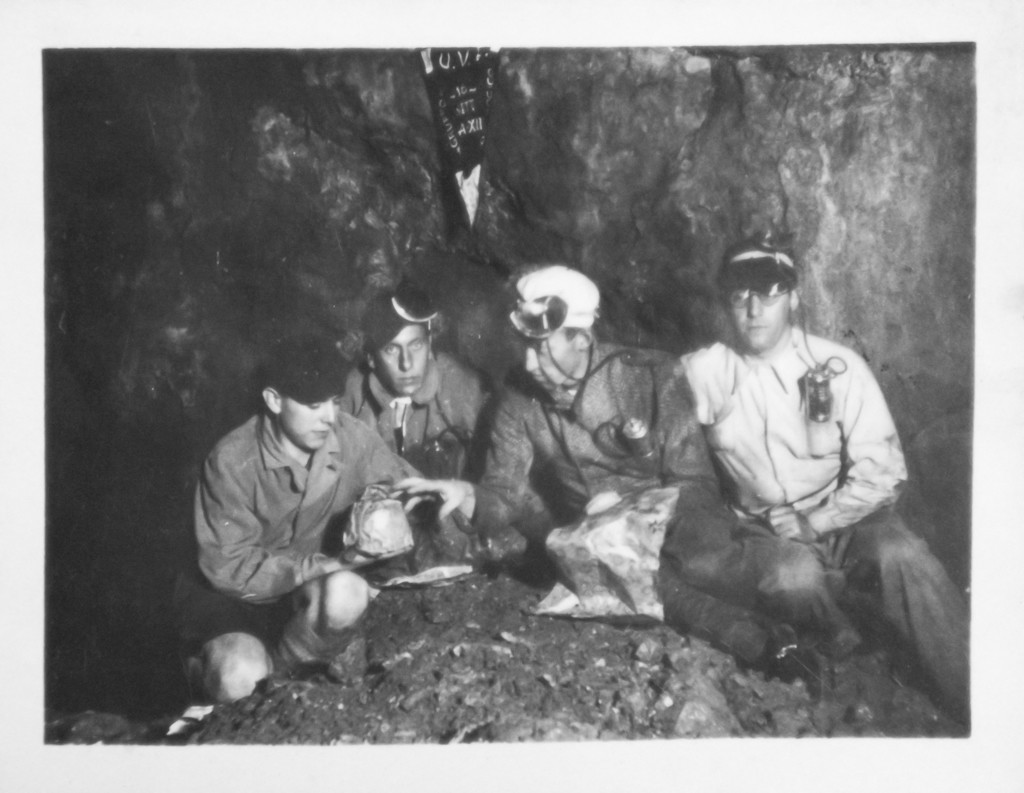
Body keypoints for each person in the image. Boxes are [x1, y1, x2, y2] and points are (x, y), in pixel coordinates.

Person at [396, 264, 836, 673]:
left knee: (774, 574)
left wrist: (641, 514)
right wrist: (467, 495)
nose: (530, 364)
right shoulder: (519, 399)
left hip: (682, 522)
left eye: (543, 350)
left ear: (582, 339)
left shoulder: (649, 376)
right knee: (625, 569)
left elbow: (694, 480)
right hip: (598, 538)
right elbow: (504, 493)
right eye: (526, 348)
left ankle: (835, 629)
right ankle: (762, 645)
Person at [679, 235, 969, 721]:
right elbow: (644, 406)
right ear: (726, 302)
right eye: (739, 295)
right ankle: (843, 670)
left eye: (768, 293)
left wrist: (819, 520)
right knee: (790, 579)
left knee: (905, 556)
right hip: (762, 529)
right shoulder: (701, 372)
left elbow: (885, 472)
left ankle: (975, 699)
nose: (753, 309)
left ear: (793, 298)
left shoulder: (839, 368)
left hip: (847, 516)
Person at [173, 334, 467, 704]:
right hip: (231, 597)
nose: (329, 417)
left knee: (348, 593)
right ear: (274, 400)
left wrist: (450, 500)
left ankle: (284, 683)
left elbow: (406, 486)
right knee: (238, 677)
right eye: (314, 405)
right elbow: (230, 568)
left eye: (334, 401)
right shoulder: (232, 460)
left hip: (300, 591)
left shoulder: (350, 438)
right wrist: (334, 562)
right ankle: (208, 679)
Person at [340, 281, 488, 481]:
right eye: (391, 349)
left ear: (429, 345)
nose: (406, 363)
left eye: (416, 345)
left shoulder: (461, 386)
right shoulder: (353, 392)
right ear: (371, 358)